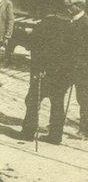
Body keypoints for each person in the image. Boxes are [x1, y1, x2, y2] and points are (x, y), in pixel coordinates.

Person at [19, 13, 71, 144]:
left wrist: (25, 33)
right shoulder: (67, 30)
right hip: (61, 76)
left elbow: (32, 47)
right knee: (58, 105)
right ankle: (55, 136)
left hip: (42, 74)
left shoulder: (43, 26)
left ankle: (28, 133)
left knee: (32, 101)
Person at [63, 0, 88, 137]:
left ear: (79, 6)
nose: (67, 9)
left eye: (70, 6)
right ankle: (57, 122)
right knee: (58, 92)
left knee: (84, 98)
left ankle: (84, 130)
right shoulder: (71, 21)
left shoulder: (85, 23)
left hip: (83, 68)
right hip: (69, 66)